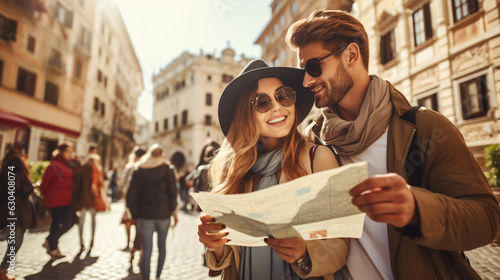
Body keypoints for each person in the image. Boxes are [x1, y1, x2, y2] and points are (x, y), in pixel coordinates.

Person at [286, 10, 500, 279]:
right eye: (302, 71)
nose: (306, 81)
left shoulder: (427, 128)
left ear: (351, 55)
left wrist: (417, 209)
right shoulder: (312, 142)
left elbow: (486, 219)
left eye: (313, 67)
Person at [197, 59, 347, 280]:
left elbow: (341, 244)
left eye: (284, 95)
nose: (277, 106)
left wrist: (304, 254)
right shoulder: (237, 174)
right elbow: (228, 258)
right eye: (262, 102)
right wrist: (214, 243)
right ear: (246, 115)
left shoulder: (318, 159)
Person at [126, 144, 178, 280]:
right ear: (161, 155)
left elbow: (130, 196)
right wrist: (173, 212)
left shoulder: (139, 169)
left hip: (144, 215)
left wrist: (135, 214)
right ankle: (158, 277)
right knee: (162, 247)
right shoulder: (168, 169)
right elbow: (173, 193)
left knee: (146, 251)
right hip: (164, 214)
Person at [0, 150, 36, 280]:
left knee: (11, 241)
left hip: (6, 213)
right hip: (18, 213)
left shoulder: (3, 174)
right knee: (16, 243)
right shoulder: (19, 174)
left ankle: (3, 270)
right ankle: (3, 270)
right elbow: (28, 189)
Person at [39, 142, 75, 260]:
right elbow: (44, 184)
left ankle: (50, 240)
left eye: (71, 151)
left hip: (66, 200)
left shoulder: (67, 165)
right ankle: (53, 248)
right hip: (56, 200)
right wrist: (49, 196)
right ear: (62, 151)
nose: (71, 153)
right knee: (56, 223)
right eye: (68, 151)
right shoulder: (54, 165)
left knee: (71, 221)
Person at [72, 154, 107, 252]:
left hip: (84, 200)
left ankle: (82, 241)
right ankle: (90, 240)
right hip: (90, 200)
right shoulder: (93, 171)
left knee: (83, 221)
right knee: (90, 221)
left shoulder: (84, 170)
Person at [120, 146, 146, 262]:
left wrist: (127, 202)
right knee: (139, 227)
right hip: (142, 202)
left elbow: (124, 186)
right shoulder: (145, 167)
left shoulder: (129, 168)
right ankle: (138, 250)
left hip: (130, 201)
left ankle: (129, 242)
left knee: (128, 222)